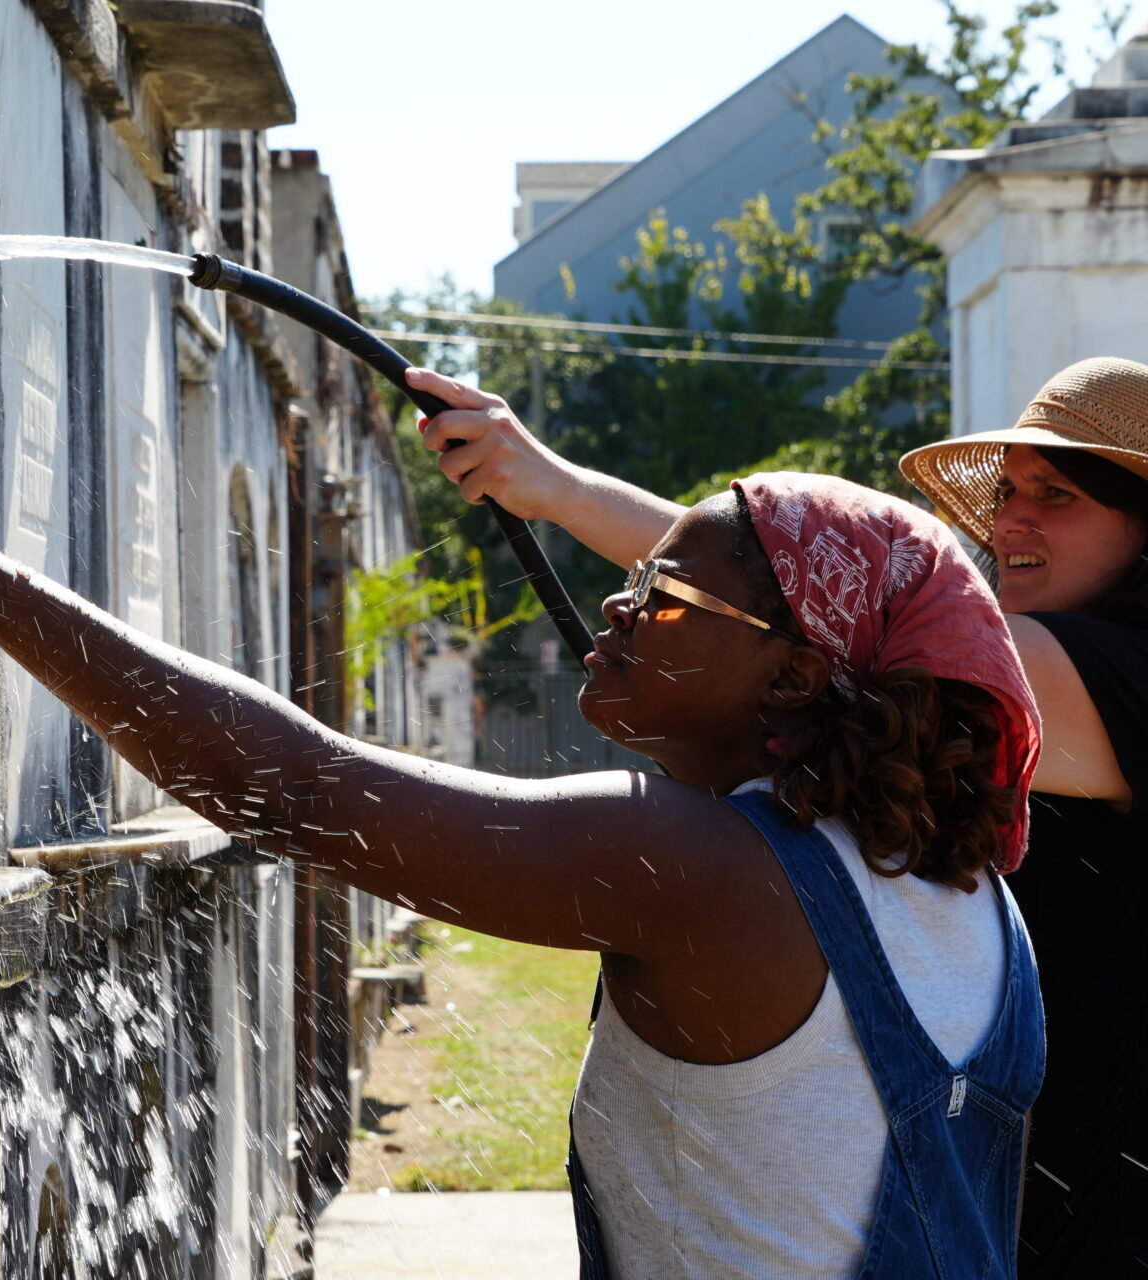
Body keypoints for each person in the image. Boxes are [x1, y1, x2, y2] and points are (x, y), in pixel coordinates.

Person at [0, 323, 1044, 1280]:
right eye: (632, 576)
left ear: (793, 675)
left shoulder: (704, 866)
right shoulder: (974, 902)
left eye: (666, 588)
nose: (622, 604)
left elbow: (288, 784)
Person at [409, 356, 1148, 1277]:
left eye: (1061, 494)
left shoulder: (1127, 677)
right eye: (1009, 492)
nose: (1012, 519)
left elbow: (810, 610)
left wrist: (559, 490)